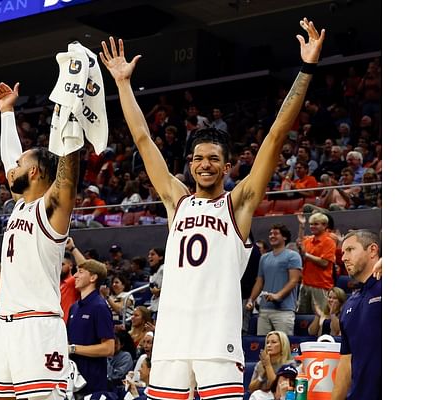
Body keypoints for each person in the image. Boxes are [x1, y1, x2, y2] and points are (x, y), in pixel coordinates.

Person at [99, 17, 324, 399]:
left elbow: (275, 135)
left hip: (216, 337)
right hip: (171, 335)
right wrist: (122, 83)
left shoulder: (237, 203)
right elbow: (142, 137)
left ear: (226, 164)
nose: (205, 164)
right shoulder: (176, 199)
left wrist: (306, 69)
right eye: (198, 158)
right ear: (190, 163)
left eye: (213, 158)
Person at [0, 81, 80, 399]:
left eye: (19, 167)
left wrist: (69, 117)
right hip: (5, 325)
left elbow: (67, 177)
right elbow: (10, 156)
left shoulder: (51, 210)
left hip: (37, 327)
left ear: (36, 173)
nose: (11, 169)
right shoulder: (20, 205)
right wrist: (7, 113)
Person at [333, 230, 382, 400]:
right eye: (343, 252)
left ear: (373, 250)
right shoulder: (349, 304)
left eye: (350, 250)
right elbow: (345, 363)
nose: (344, 258)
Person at [67, 259, 116, 398]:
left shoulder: (100, 307)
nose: (75, 276)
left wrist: (72, 348)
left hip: (92, 382)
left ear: (93, 278)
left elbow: (108, 348)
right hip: (72, 378)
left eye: (80, 272)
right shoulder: (74, 307)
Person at [246, 224, 302, 336]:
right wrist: (251, 300)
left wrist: (278, 295)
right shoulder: (264, 257)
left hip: (284, 310)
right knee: (263, 344)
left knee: (283, 345)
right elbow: (259, 281)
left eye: (276, 233)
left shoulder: (293, 256)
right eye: (270, 234)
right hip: (265, 309)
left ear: (285, 237)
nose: (272, 236)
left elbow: (294, 280)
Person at [295, 212, 336, 314]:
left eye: (316, 224)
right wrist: (301, 226)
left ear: (324, 225)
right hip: (305, 284)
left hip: (321, 286)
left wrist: (306, 255)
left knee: (321, 317)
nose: (312, 227)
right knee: (302, 316)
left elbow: (324, 263)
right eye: (311, 224)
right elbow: (300, 243)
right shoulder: (308, 240)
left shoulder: (329, 241)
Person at [146, 248, 164, 314]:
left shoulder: (164, 268)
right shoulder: (152, 272)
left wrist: (160, 291)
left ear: (161, 257)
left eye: (152, 254)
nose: (149, 256)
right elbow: (153, 289)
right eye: (149, 254)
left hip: (163, 305)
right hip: (155, 305)